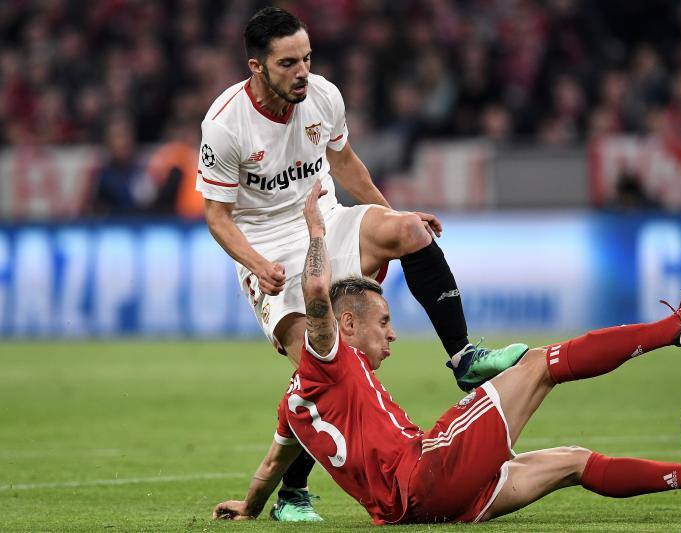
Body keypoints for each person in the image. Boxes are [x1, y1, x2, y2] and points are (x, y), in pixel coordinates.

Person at [212, 182, 681, 525]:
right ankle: (678, 326)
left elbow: (270, 466)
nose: (394, 335)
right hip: (429, 469)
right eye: (384, 322)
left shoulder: (294, 404)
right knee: (539, 365)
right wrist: (315, 230)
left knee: (572, 462)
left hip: (415, 511)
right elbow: (316, 296)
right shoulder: (328, 354)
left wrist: (250, 507)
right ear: (347, 324)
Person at [196, 6, 525, 521]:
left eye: (306, 58)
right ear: (256, 67)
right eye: (287, 63)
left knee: (411, 232)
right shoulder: (224, 125)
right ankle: (293, 493)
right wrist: (257, 264)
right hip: (267, 244)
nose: (302, 71)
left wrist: (392, 214)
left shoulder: (323, 96)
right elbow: (216, 216)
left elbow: (345, 163)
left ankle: (464, 358)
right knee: (329, 364)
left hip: (324, 217)